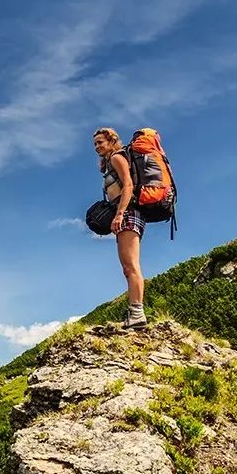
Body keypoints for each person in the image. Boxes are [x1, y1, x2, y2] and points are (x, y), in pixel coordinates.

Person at [92, 128, 148, 329]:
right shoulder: (110, 162)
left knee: (131, 266)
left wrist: (119, 214)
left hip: (128, 213)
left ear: (111, 141)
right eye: (95, 144)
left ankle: (137, 313)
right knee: (128, 267)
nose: (97, 146)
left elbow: (129, 185)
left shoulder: (117, 157)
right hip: (126, 214)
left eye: (100, 142)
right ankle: (135, 312)